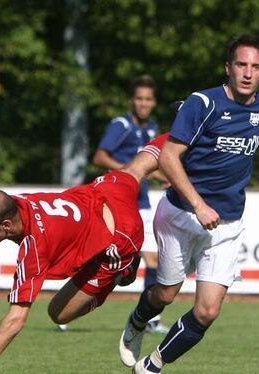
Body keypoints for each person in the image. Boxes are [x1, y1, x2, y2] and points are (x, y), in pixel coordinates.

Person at [0, 134, 169, 374]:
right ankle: (187, 119)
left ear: (5, 226)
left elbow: (16, 319)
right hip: (103, 191)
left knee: (58, 314)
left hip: (119, 236)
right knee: (140, 163)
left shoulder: (33, 247)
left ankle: (126, 269)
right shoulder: (13, 207)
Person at [119, 34, 259, 373]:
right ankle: (138, 320)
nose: (247, 73)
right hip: (181, 215)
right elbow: (169, 157)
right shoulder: (203, 103)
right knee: (166, 295)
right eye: (241, 64)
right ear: (228, 68)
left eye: (255, 67)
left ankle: (151, 366)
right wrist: (199, 204)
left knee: (207, 311)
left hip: (227, 223)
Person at [93, 74, 168, 334]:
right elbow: (100, 156)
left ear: (154, 102)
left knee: (153, 259)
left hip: (143, 203)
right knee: (102, 257)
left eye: (148, 99)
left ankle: (149, 319)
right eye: (139, 99)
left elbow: (146, 166)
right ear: (132, 101)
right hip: (118, 202)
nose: (143, 104)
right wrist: (127, 172)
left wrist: (165, 178)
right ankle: (70, 306)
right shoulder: (121, 125)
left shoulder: (151, 129)